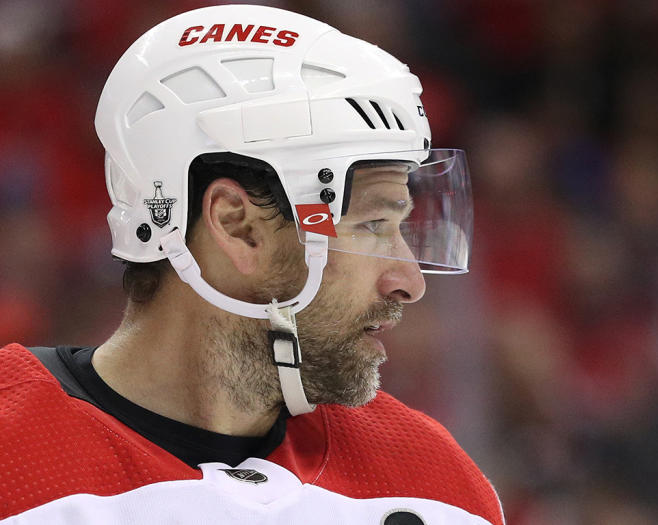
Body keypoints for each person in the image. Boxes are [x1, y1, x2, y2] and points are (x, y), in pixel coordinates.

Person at [0, 5, 501, 524]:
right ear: (237, 225)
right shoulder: (13, 460)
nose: (409, 282)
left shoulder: (435, 485)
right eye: (372, 224)